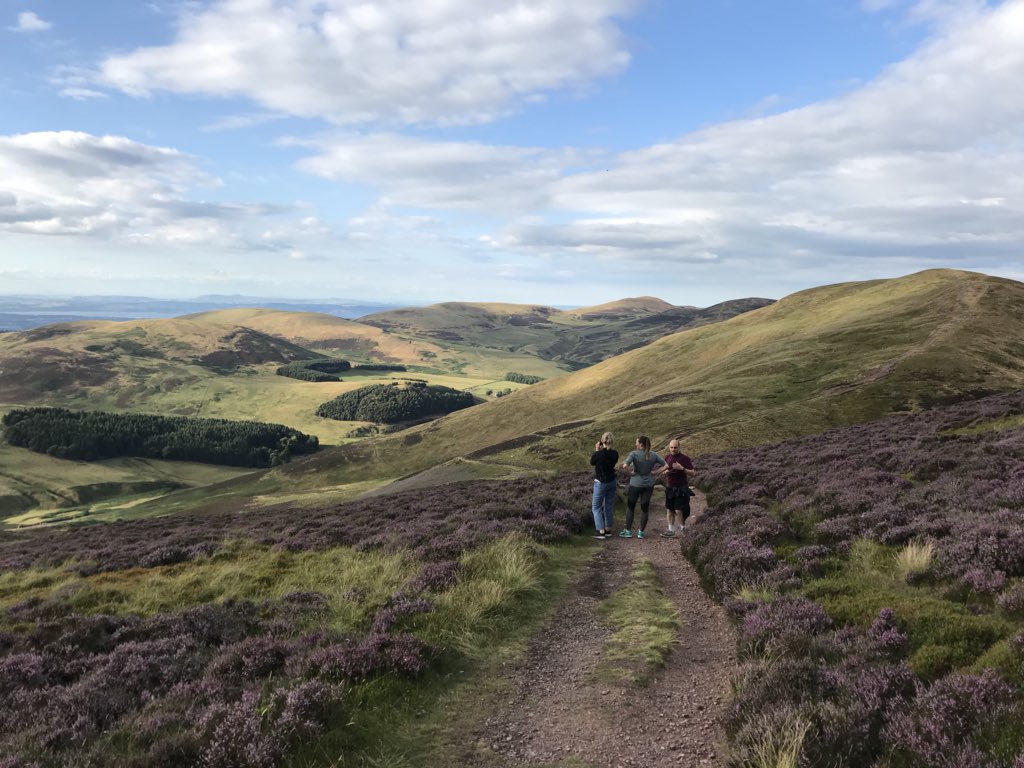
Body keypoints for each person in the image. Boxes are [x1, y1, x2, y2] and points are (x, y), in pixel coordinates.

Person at [619, 435, 665, 539]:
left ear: (641, 444)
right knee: (645, 508)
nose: (635, 444)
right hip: (648, 485)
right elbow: (666, 466)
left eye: (636, 442)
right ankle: (641, 532)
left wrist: (630, 473)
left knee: (631, 507)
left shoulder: (634, 454)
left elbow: (625, 465)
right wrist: (654, 472)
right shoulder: (653, 455)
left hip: (635, 484)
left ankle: (628, 531)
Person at [660, 438, 695, 537]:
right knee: (669, 509)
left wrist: (682, 468)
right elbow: (663, 471)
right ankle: (671, 530)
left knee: (679, 509)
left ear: (679, 447)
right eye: (671, 447)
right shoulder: (667, 458)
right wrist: (665, 472)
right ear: (669, 448)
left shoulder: (685, 458)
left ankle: (683, 529)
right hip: (670, 487)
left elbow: (693, 473)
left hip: (681, 487)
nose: (673, 449)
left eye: (675, 447)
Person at [589, 431, 619, 539]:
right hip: (612, 481)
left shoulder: (599, 454)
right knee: (608, 506)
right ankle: (608, 530)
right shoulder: (615, 454)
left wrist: (597, 450)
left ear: (602, 441)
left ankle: (600, 531)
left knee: (596, 507)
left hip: (601, 482)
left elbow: (593, 462)